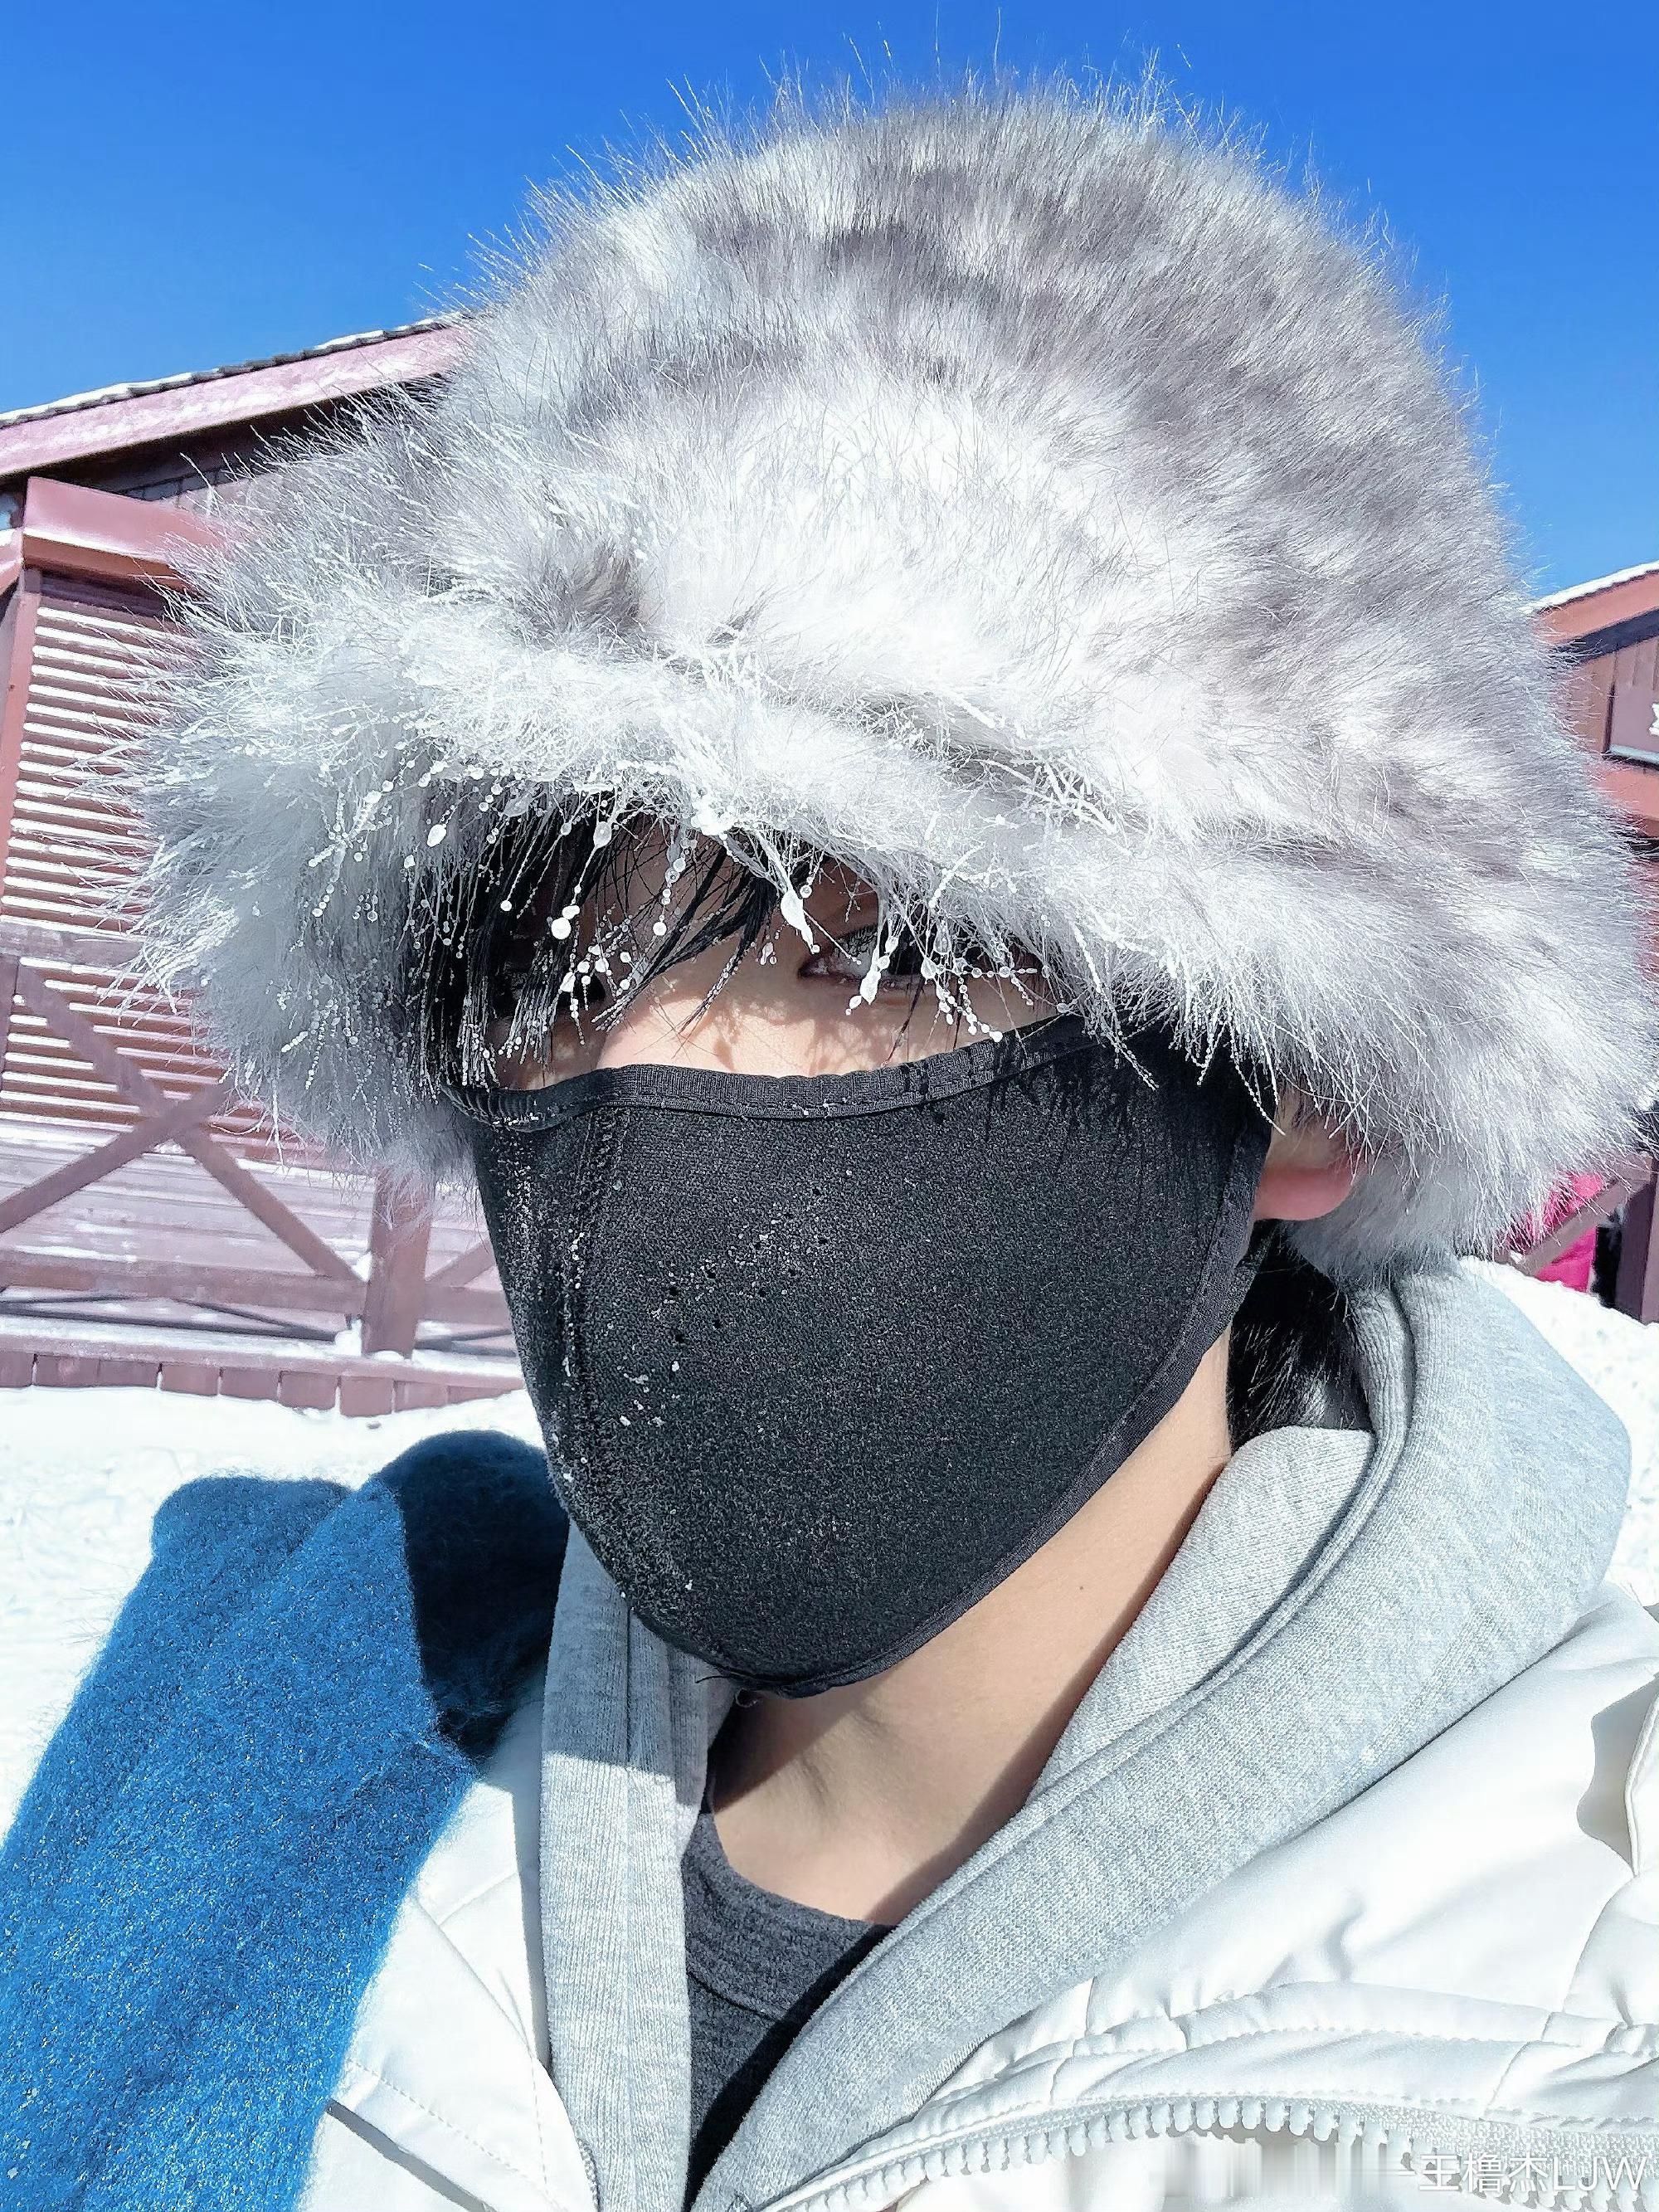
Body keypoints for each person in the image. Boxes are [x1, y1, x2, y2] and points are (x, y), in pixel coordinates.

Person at [2, 75, 1657, 2212]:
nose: (634, 1075)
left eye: (846, 939)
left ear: (1304, 1076)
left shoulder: (1584, 1982)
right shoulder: (270, 1732)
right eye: (550, 964)